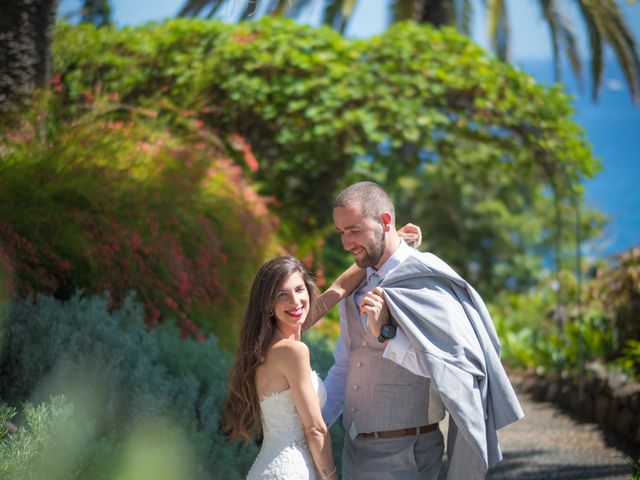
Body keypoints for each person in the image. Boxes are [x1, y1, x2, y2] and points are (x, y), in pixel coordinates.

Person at [315, 181, 524, 480]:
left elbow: (456, 370)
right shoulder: (353, 286)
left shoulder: (427, 280)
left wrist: (386, 335)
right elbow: (346, 365)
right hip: (353, 451)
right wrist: (314, 428)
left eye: (355, 230)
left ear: (386, 221)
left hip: (406, 456)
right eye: (341, 233)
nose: (347, 244)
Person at [222, 226, 422, 480]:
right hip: (291, 471)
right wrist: (330, 476)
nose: (295, 302)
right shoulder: (293, 350)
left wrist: (386, 245)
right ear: (268, 305)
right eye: (282, 294)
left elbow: (338, 289)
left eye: (299, 290)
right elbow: (315, 429)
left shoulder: (271, 344)